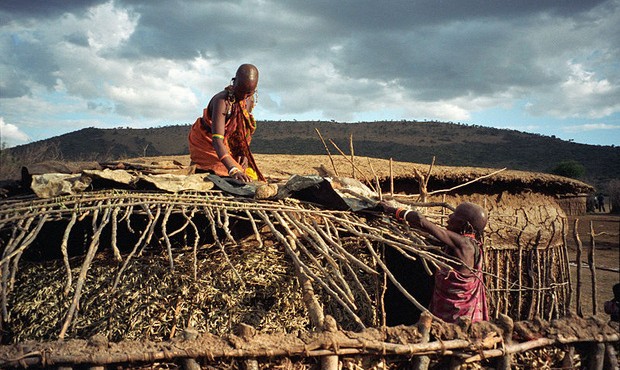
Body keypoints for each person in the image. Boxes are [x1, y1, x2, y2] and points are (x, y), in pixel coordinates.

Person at [380, 201, 489, 323]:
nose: (449, 217)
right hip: (459, 312)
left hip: (457, 316)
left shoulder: (464, 244)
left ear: (465, 224)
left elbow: (421, 220)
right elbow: (426, 229)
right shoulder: (469, 245)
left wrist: (392, 210)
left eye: (454, 215)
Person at [189, 64, 265, 183]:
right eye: (241, 91)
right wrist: (233, 169)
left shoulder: (248, 100)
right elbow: (217, 140)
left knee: (250, 175)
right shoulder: (222, 101)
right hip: (207, 143)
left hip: (226, 145)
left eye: (249, 93)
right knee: (230, 174)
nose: (244, 96)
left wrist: (242, 153)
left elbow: (241, 131)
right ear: (233, 82)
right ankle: (202, 166)